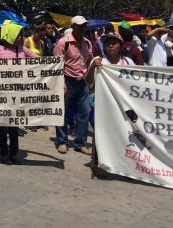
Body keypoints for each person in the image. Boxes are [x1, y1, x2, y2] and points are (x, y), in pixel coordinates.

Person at [85, 33, 135, 177]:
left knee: (123, 133)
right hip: (102, 105)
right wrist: (93, 68)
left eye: (114, 43)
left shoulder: (128, 62)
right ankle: (97, 162)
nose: (111, 46)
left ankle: (122, 162)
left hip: (122, 106)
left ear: (121, 45)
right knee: (100, 133)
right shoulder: (98, 61)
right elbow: (89, 83)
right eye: (108, 43)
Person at [0, 23, 39, 164]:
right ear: (9, 34)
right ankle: (4, 153)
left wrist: (55, 63)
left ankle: (14, 153)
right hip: (1, 92)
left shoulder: (22, 49)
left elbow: (38, 60)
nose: (20, 38)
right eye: (17, 35)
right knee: (3, 125)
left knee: (15, 124)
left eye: (21, 35)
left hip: (18, 92)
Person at [53, 16, 93, 155]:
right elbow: (57, 65)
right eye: (80, 26)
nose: (83, 29)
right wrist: (62, 84)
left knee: (84, 112)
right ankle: (62, 142)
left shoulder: (87, 43)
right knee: (62, 113)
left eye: (84, 26)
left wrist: (90, 82)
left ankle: (80, 143)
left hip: (82, 82)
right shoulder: (63, 43)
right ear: (73, 27)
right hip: (67, 80)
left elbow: (88, 63)